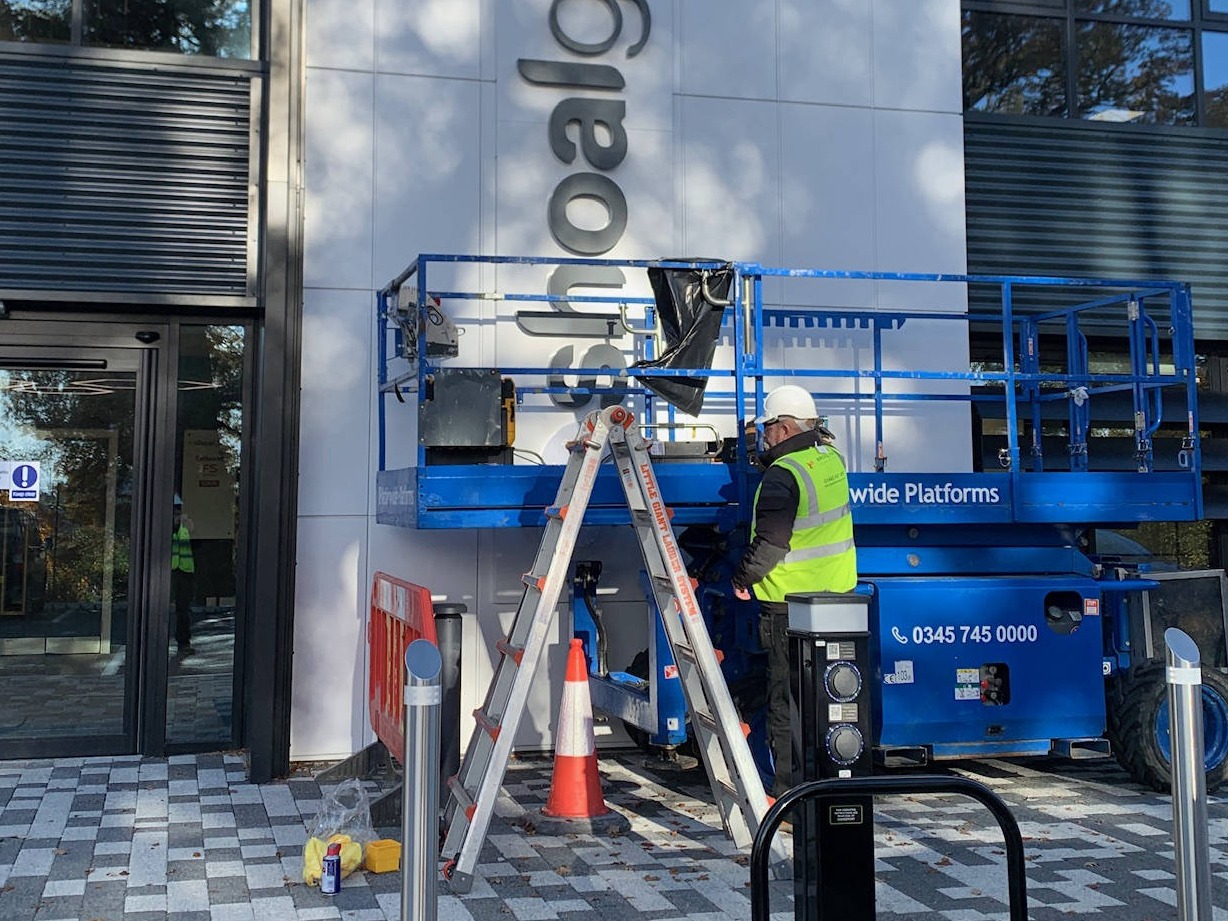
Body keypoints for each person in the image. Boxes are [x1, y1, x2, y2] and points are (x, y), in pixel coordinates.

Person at [732, 384, 857, 795]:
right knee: (830, 700)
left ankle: (789, 796)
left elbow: (770, 544)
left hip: (787, 608)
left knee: (786, 703)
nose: (762, 437)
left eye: (767, 428)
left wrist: (741, 579)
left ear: (784, 429)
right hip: (836, 602)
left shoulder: (783, 475)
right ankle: (829, 782)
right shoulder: (830, 459)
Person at [172, 495, 196, 658]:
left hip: (184, 572)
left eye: (178, 510)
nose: (177, 513)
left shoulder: (185, 525)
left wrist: (185, 523)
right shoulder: (162, 523)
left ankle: (183, 643)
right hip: (170, 571)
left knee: (183, 610)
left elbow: (193, 532)